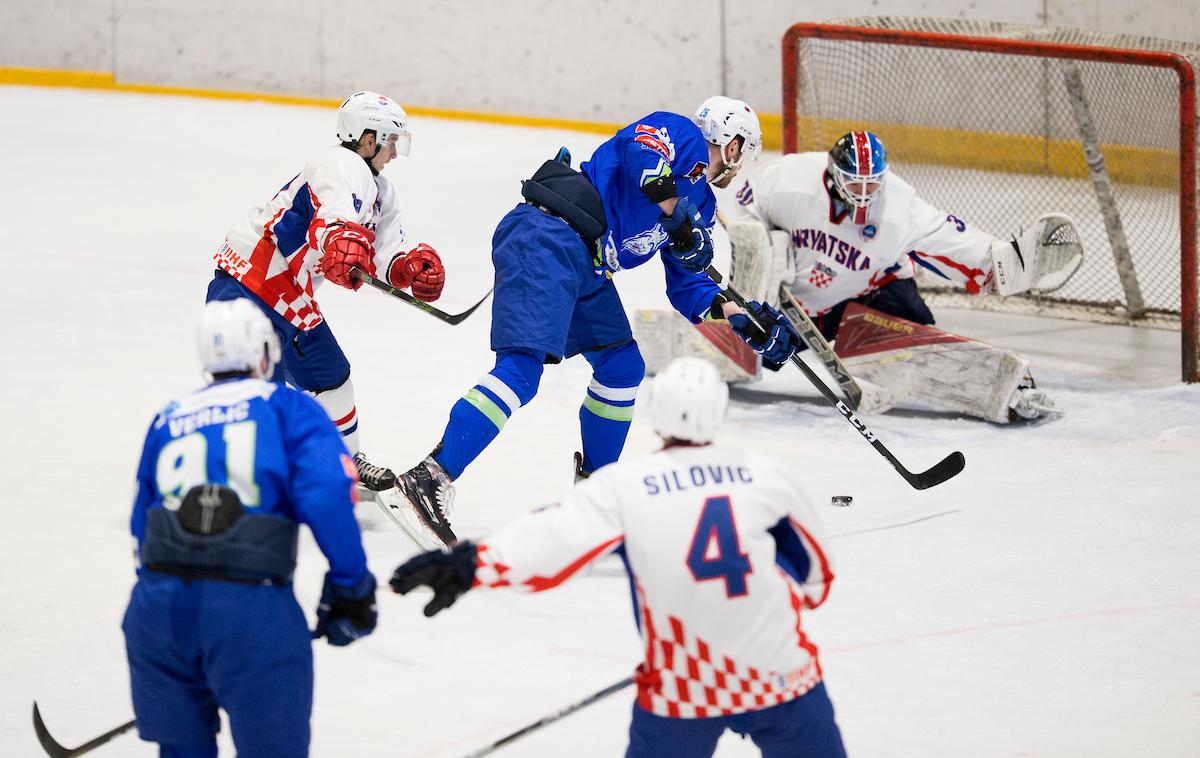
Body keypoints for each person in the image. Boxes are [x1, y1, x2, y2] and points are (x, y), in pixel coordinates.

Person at [390, 357, 846, 758]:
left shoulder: (627, 487)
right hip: (783, 676)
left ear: (658, 415)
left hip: (684, 686)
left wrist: (471, 564)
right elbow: (818, 579)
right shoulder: (767, 477)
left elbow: (552, 539)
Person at [393, 96, 802, 544]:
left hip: (585, 265)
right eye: (743, 152)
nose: (740, 165)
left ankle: (597, 499)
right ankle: (431, 476)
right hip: (548, 234)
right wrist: (674, 212)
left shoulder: (701, 204)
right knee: (522, 370)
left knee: (622, 367)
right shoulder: (682, 135)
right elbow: (642, 154)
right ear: (731, 140)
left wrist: (739, 317)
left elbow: (688, 285)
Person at [122, 299, 377, 758]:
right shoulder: (288, 408)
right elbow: (327, 497)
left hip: (156, 615)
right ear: (263, 351)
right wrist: (351, 587)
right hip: (249, 611)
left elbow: (142, 526)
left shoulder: (168, 418)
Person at [725, 130, 1084, 421]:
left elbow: (950, 239)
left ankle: (1006, 391)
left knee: (920, 346)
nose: (865, 196)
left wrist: (1005, 263)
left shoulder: (899, 206)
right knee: (756, 344)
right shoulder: (790, 179)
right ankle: (688, 353)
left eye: (872, 185)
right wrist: (770, 255)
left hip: (874, 289)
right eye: (855, 185)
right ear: (835, 174)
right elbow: (745, 219)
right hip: (803, 306)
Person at [205, 90, 447, 491]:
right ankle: (224, 481)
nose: (394, 153)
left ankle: (344, 466)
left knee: (332, 378)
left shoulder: (383, 193)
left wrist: (406, 268)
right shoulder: (338, 163)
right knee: (253, 391)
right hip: (248, 279)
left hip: (287, 293)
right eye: (389, 142)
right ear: (366, 139)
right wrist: (340, 241)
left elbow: (384, 255)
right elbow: (331, 224)